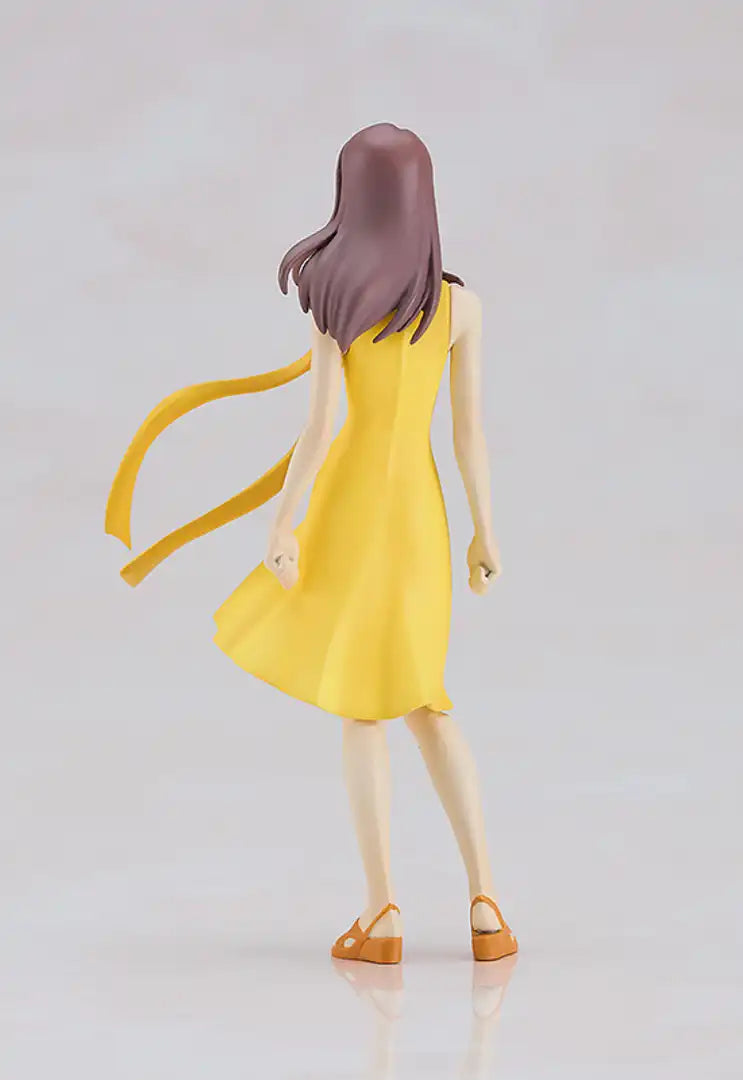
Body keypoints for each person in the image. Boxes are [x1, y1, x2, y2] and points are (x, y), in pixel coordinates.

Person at [106, 122, 517, 965]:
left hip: (350, 510)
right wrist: (483, 527)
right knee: (427, 701)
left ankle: (383, 915)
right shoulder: (460, 308)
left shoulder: (339, 303)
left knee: (364, 710)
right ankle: (487, 906)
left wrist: (284, 522)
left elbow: (322, 428)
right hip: (418, 516)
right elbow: (467, 433)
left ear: (351, 200)